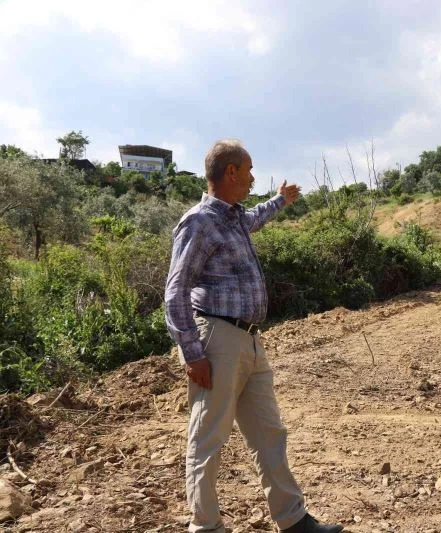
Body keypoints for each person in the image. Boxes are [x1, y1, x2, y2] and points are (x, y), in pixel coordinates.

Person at [164, 140, 343, 533]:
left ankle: (294, 520)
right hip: (217, 340)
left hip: (250, 340)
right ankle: (206, 526)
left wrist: (280, 201)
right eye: (248, 171)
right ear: (230, 173)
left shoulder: (233, 218)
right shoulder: (198, 222)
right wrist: (192, 353)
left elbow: (256, 217)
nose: (252, 178)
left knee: (269, 432)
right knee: (209, 438)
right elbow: (175, 291)